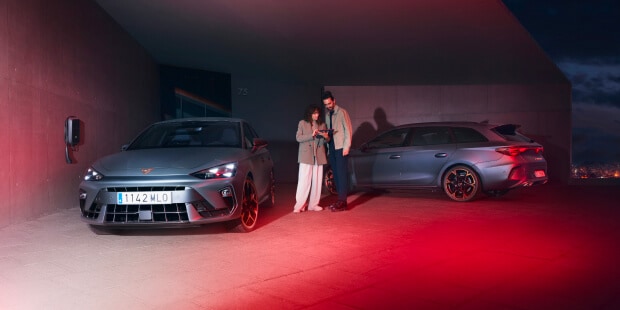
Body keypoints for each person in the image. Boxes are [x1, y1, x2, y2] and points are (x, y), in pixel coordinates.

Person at [293, 105, 330, 213]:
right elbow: (298, 138)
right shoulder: (302, 123)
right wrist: (311, 135)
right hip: (306, 156)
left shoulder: (322, 124)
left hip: (318, 155)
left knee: (317, 181)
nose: (316, 115)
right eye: (314, 113)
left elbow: (324, 142)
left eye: (317, 113)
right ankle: (300, 205)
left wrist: (326, 137)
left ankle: (313, 204)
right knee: (304, 181)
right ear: (309, 114)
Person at [322, 90, 353, 212]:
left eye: (329, 103)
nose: (328, 106)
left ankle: (343, 201)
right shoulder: (327, 115)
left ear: (334, 101)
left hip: (341, 148)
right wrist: (326, 137)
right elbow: (330, 132)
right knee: (336, 175)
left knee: (341, 174)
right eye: (326, 104)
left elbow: (348, 130)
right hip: (332, 148)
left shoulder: (342, 112)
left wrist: (347, 147)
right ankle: (340, 201)